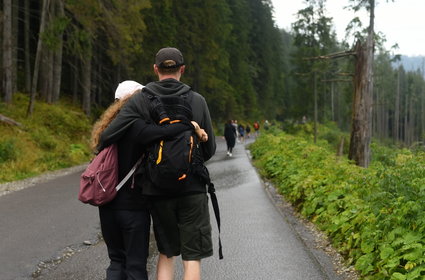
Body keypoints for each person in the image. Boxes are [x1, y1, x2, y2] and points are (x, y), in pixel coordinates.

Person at [99, 47, 216, 280]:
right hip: (192, 188)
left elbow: (106, 136)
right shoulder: (197, 100)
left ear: (155, 69)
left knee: (166, 253)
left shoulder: (141, 100)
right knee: (191, 257)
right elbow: (209, 149)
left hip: (157, 190)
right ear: (182, 69)